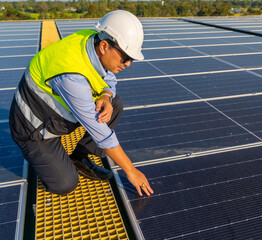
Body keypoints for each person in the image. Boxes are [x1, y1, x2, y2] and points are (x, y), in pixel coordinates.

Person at [8, 10, 154, 197]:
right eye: (126, 58)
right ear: (104, 46)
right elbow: (100, 133)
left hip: (56, 116)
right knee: (65, 184)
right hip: (34, 128)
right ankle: (44, 157)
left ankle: (79, 158)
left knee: (114, 104)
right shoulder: (70, 75)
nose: (128, 64)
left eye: (131, 59)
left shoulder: (92, 41)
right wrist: (131, 171)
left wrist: (106, 96)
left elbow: (109, 79)